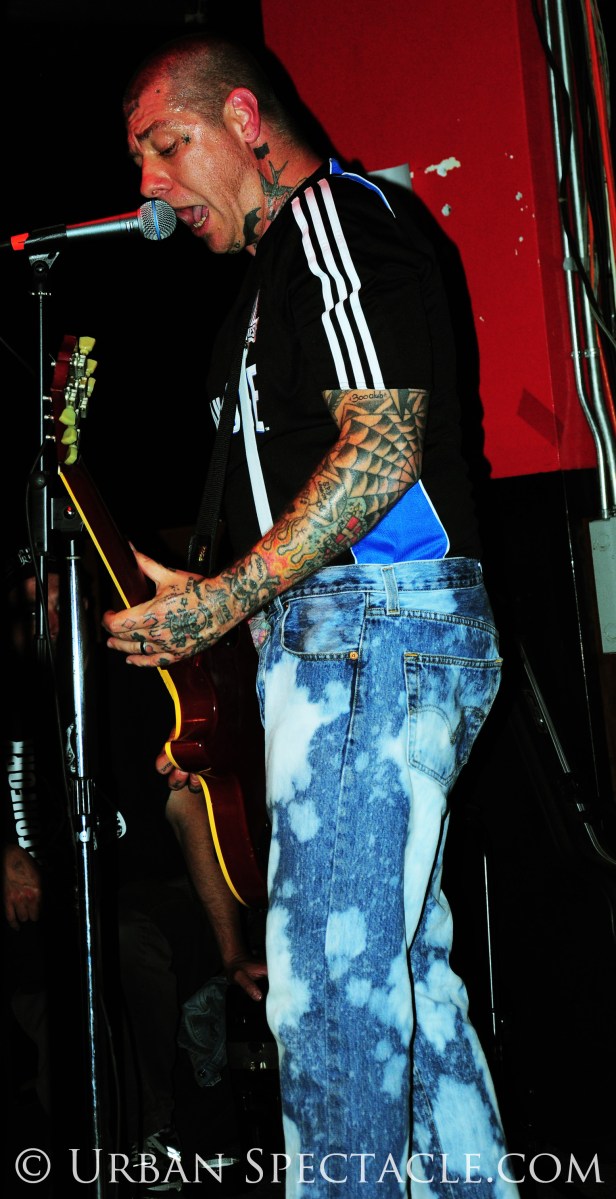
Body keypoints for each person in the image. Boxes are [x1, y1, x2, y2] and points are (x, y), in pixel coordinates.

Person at [102, 32, 518, 1198]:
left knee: (329, 989)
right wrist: (214, 597)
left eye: (167, 145)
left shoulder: (328, 218)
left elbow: (380, 450)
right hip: (347, 636)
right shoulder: (265, 286)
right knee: (403, 989)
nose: (151, 184)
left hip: (372, 629)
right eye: (139, 162)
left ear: (244, 120)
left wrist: (228, 595)